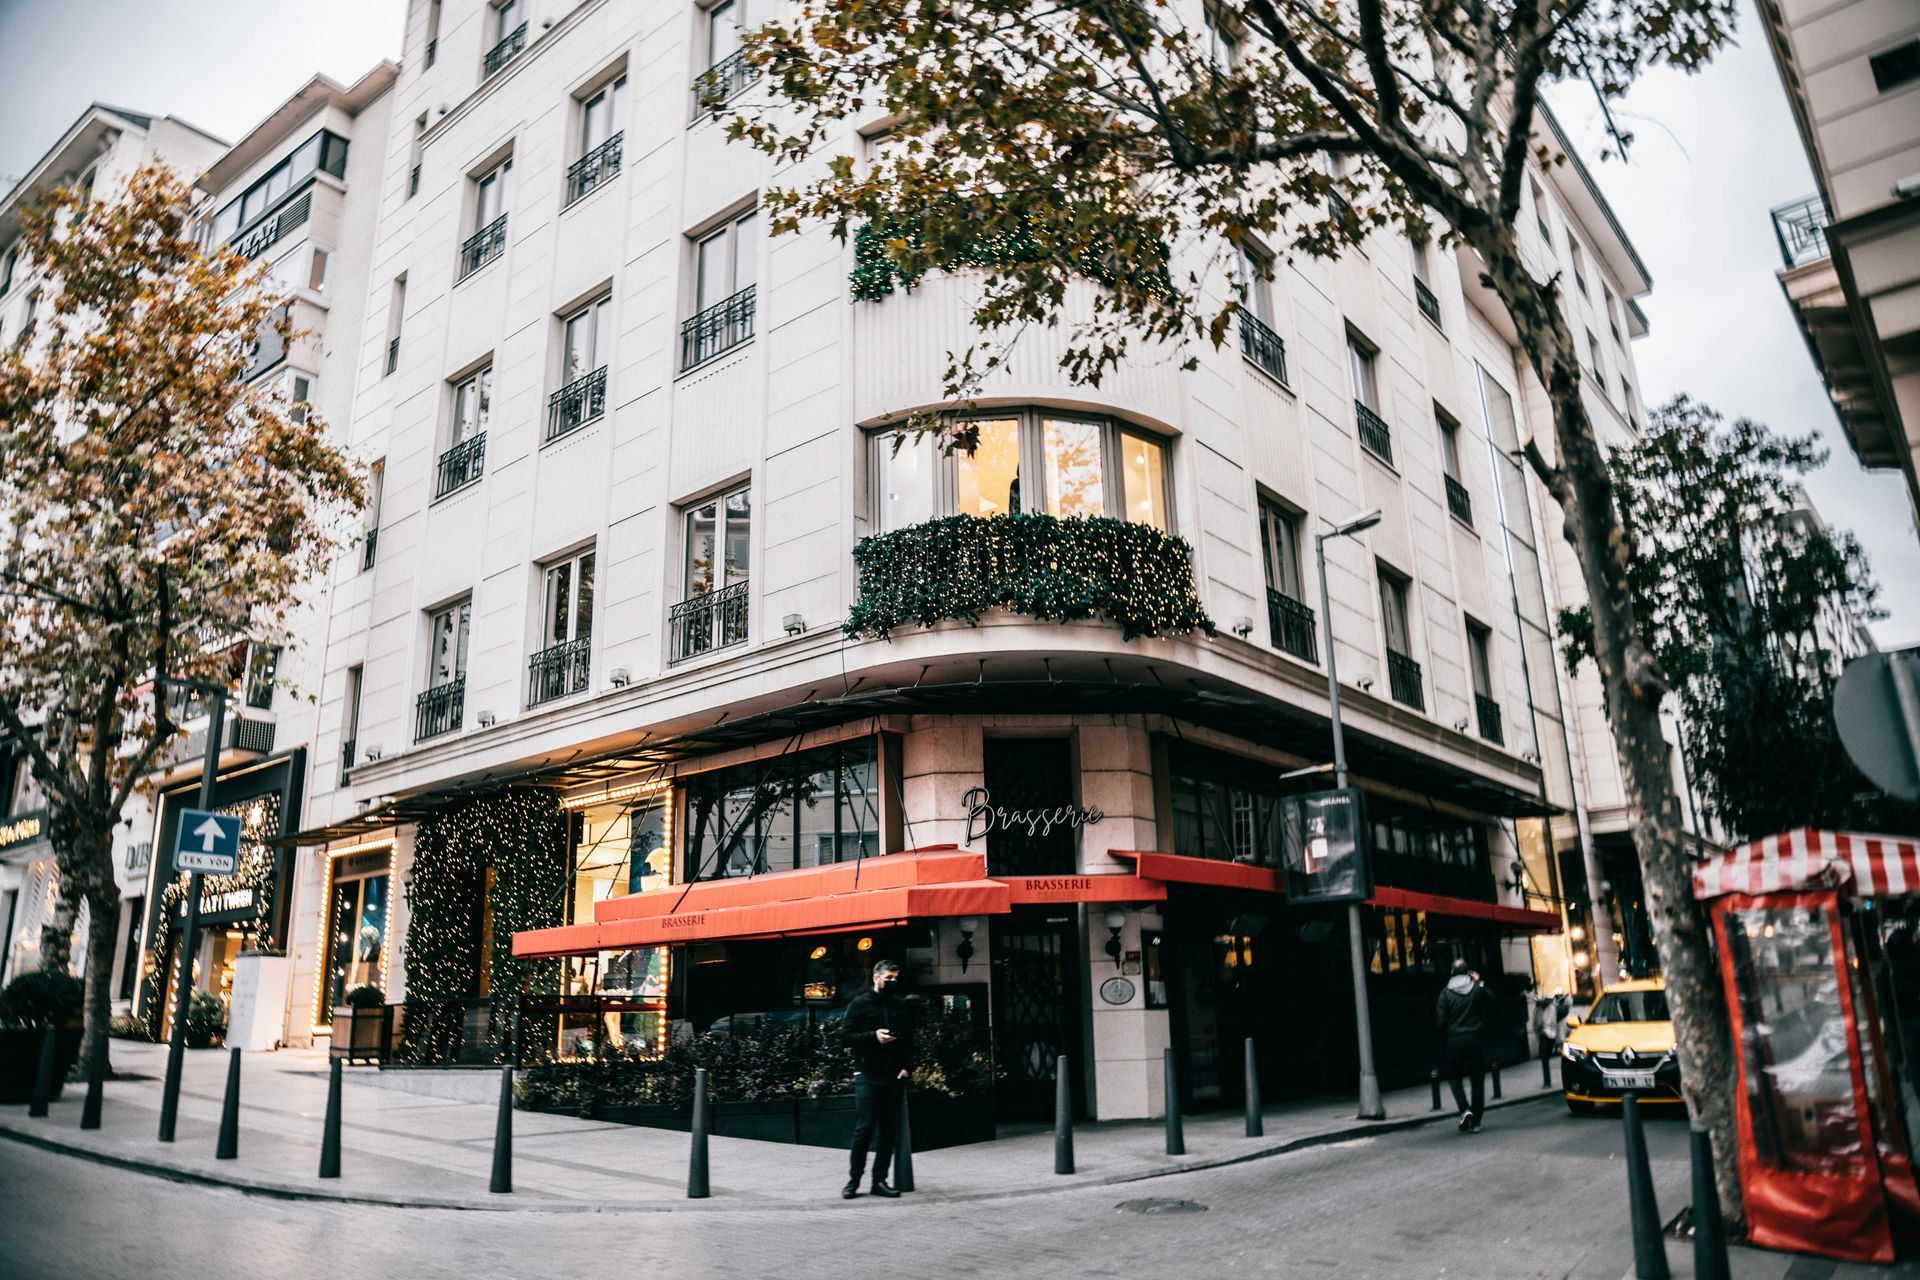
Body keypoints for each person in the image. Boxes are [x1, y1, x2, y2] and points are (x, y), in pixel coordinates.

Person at [840, 958, 916, 1199]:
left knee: (887, 1132)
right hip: (867, 1074)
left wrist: (906, 1066)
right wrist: (873, 1036)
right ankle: (853, 1181)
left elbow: (910, 1039)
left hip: (893, 1075)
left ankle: (879, 1181)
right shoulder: (859, 1004)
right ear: (876, 978)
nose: (892, 982)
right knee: (864, 1129)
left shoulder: (900, 1005)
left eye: (895, 978)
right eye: (888, 978)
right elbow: (845, 1036)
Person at [1435, 958, 1490, 1132]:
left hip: (1455, 1040)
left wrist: (1446, 1036)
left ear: (1451, 972)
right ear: (1468, 971)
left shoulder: (1445, 993)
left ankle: (1465, 1109)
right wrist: (1479, 982)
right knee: (1477, 1079)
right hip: (1475, 1038)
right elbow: (1492, 999)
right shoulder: (1476, 989)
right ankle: (1477, 1122)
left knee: (1453, 1077)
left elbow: (1441, 1021)